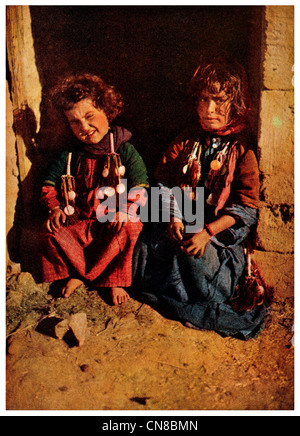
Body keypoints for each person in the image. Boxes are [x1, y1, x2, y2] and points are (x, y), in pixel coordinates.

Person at [134, 55, 271, 339]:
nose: (209, 109)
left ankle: (199, 303)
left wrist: (206, 233)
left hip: (217, 238)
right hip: (183, 222)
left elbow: (245, 208)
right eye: (203, 99)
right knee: (146, 241)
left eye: (219, 101)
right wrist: (172, 217)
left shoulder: (241, 152)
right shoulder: (185, 141)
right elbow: (162, 182)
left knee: (199, 265)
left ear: (235, 104)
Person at [40, 73, 149, 305]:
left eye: (90, 117)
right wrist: (54, 209)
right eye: (75, 122)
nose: (85, 127)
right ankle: (77, 274)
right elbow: (49, 184)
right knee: (51, 231)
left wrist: (126, 210)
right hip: (80, 222)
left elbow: (141, 185)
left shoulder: (125, 149)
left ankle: (113, 280)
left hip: (112, 222)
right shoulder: (70, 155)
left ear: (107, 111)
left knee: (131, 227)